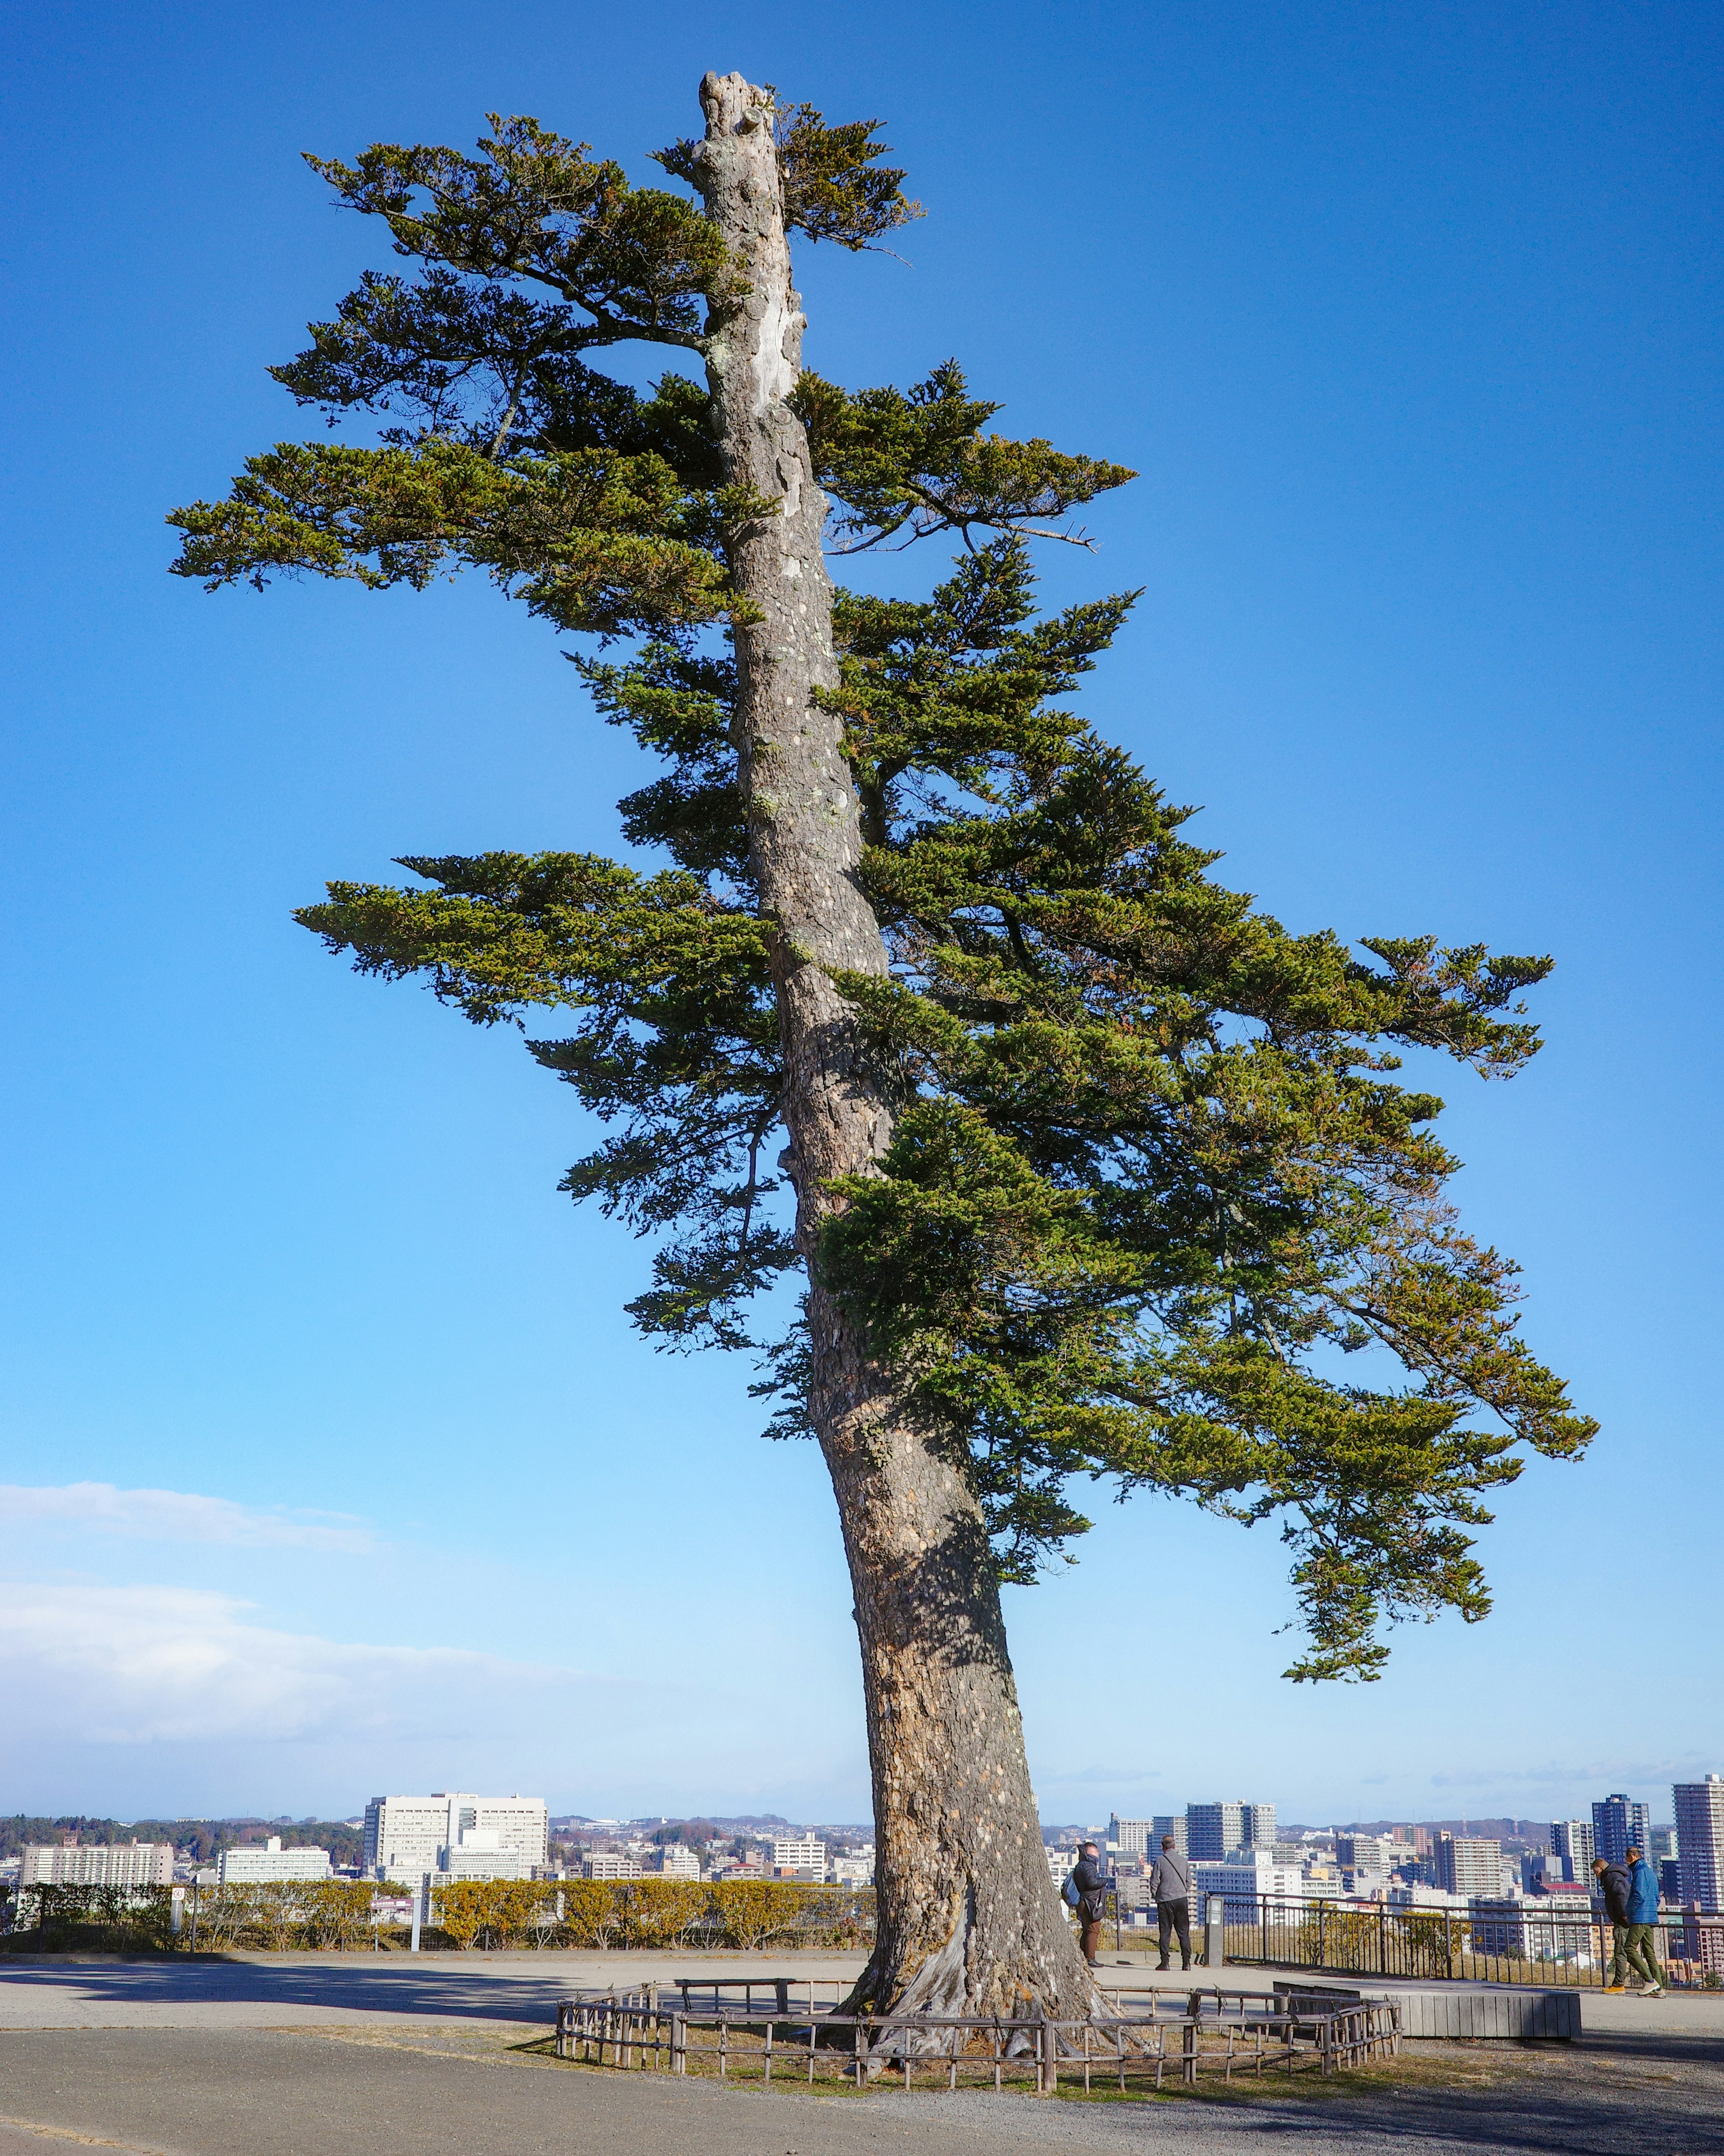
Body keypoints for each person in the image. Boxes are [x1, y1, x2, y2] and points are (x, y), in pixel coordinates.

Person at [1592, 1853, 1645, 1993]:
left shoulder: (1611, 1878)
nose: (1596, 1875)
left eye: (1596, 1872)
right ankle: (1650, 1980)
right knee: (1628, 1952)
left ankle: (1619, 1984)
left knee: (1622, 1953)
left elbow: (1622, 1896)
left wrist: (1623, 1915)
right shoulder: (1615, 1876)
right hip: (1625, 1919)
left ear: (1601, 1869)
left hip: (1622, 1922)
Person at [1622, 1845, 1665, 1996]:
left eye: (1627, 1860)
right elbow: (1656, 1897)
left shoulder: (1639, 1873)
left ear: (1632, 1857)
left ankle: (1650, 1981)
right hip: (1651, 1917)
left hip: (1640, 1917)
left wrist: (1628, 1911)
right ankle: (1660, 1988)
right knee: (1649, 1952)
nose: (1626, 1863)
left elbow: (1639, 1896)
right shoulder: (1650, 1873)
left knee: (1629, 1948)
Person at [1149, 1834, 1194, 1972]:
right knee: (1184, 1932)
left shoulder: (1160, 1861)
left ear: (1163, 1847)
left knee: (1165, 1932)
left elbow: (1154, 1881)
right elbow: (1189, 1882)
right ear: (1174, 1846)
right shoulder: (1184, 1861)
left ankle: (1165, 1962)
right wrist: (1181, 1891)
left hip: (1165, 1901)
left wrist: (1156, 1895)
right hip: (1181, 1900)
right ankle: (1187, 1963)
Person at [1071, 1840, 1112, 1967]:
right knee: (1093, 1930)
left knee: (1087, 1930)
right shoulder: (1088, 1866)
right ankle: (1090, 1958)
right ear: (1089, 1852)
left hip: (1084, 1901)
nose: (1098, 1854)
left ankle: (1084, 1956)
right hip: (1090, 1902)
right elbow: (1092, 1882)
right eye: (1096, 1851)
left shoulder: (1081, 1865)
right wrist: (1104, 1881)